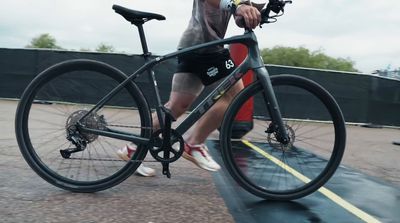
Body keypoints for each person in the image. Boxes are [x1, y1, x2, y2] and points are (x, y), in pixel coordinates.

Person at [117, 0, 262, 176]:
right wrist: (240, 5)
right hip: (205, 47)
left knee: (176, 106)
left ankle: (133, 149)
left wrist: (255, 10)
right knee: (234, 95)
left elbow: (238, 16)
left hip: (194, 45)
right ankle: (194, 143)